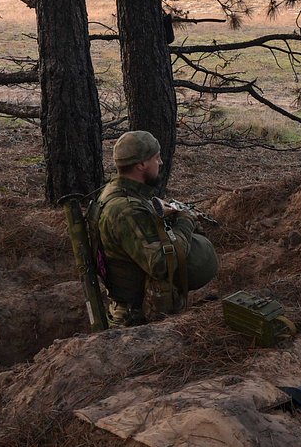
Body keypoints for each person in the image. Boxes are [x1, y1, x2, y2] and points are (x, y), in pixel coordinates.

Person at [91, 131, 218, 327]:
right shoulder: (126, 210)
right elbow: (160, 264)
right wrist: (185, 221)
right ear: (141, 164)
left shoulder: (116, 192)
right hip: (136, 320)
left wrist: (155, 210)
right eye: (156, 158)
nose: (160, 163)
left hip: (134, 310)